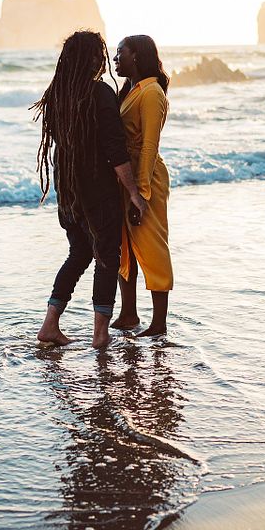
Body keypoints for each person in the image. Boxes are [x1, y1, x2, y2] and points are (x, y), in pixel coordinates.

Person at [32, 31, 149, 348]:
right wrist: (135, 193)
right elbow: (115, 151)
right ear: (92, 59)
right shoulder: (99, 93)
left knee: (79, 253)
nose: (103, 59)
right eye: (100, 53)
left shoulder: (58, 95)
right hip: (96, 188)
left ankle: (50, 325)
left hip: (68, 188)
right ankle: (100, 334)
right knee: (108, 257)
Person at [111, 35, 174, 337]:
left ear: (136, 56)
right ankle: (128, 314)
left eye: (120, 52)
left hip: (145, 178)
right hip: (127, 179)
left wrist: (143, 192)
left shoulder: (151, 92)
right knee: (125, 247)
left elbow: (150, 144)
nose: (115, 58)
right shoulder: (132, 90)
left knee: (152, 247)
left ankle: (159, 323)